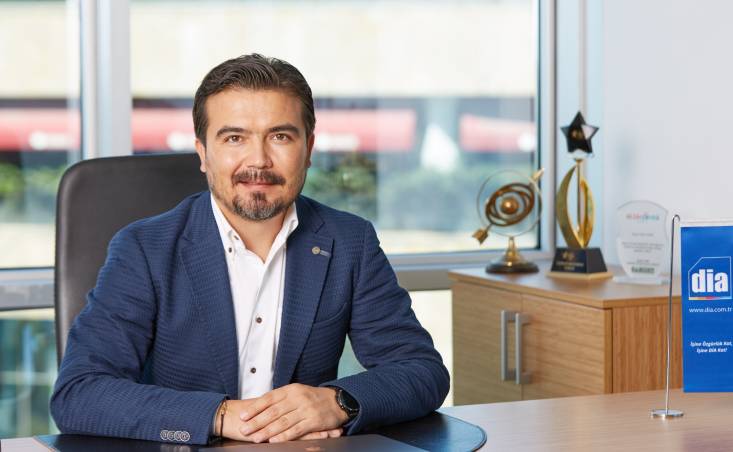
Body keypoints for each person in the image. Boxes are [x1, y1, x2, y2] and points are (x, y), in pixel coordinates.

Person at [50, 54, 449, 445]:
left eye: (280, 136)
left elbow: (421, 370)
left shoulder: (350, 241)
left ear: (309, 148)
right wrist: (223, 416)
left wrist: (337, 402)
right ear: (203, 153)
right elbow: (79, 394)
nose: (258, 160)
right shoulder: (144, 249)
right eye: (234, 138)